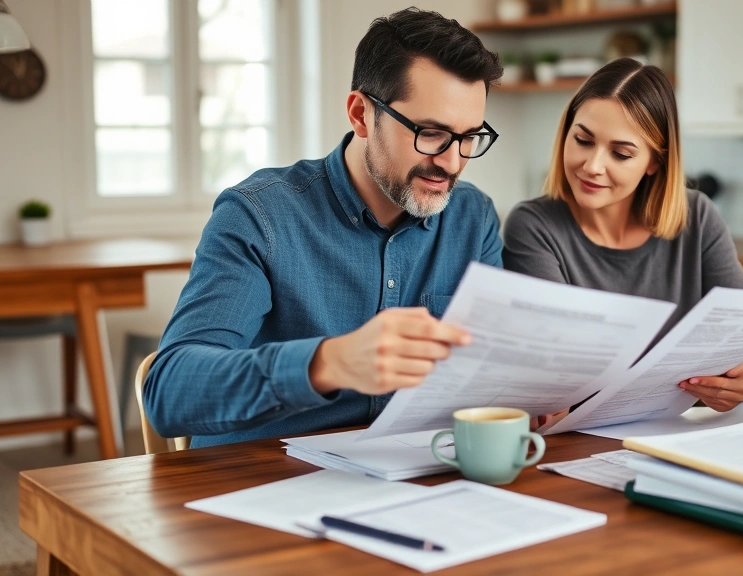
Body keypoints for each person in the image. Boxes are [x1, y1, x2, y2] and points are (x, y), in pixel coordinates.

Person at [144, 8, 504, 447]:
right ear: (360, 115)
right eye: (430, 133)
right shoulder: (260, 215)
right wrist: (328, 363)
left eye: (469, 137)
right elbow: (168, 392)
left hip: (415, 483)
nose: (451, 161)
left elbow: (490, 369)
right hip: (263, 487)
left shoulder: (473, 218)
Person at [503, 58, 743, 415]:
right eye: (582, 140)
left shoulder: (696, 216)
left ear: (654, 162)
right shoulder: (534, 226)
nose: (593, 166)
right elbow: (556, 367)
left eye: (621, 153)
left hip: (683, 436)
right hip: (582, 439)